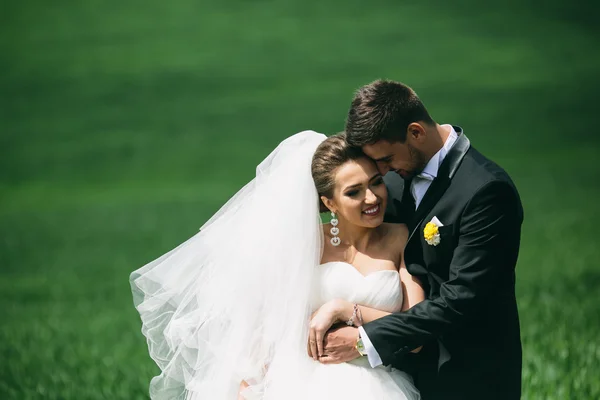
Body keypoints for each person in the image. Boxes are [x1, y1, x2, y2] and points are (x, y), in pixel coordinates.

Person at [130, 131, 423, 399]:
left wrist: (345, 310)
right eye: (353, 191)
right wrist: (250, 385)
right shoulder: (307, 245)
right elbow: (264, 323)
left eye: (376, 183)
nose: (371, 198)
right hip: (301, 382)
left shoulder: (400, 238)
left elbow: (417, 337)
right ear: (329, 203)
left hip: (379, 385)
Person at [318, 80, 524, 400]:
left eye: (385, 159)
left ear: (416, 132)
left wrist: (364, 338)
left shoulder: (485, 191)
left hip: (468, 375)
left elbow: (461, 301)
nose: (381, 171)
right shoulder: (393, 181)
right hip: (399, 376)